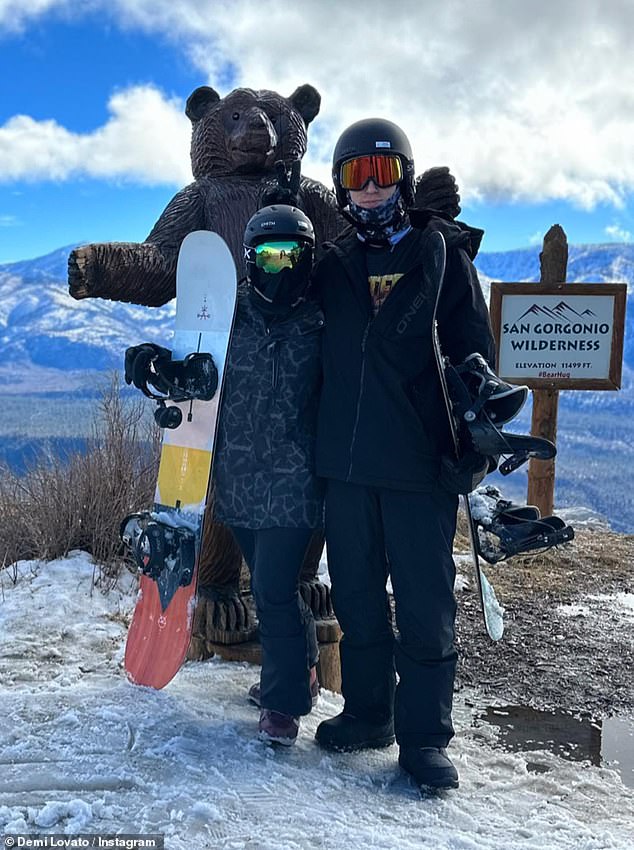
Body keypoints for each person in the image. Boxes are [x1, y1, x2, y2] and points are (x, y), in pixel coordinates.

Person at [311, 118, 495, 790]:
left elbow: (476, 358)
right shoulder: (332, 267)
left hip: (421, 466)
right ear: (339, 187)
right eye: (355, 175)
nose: (368, 189)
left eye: (382, 174)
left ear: (405, 179)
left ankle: (423, 739)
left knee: (423, 604)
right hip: (348, 464)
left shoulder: (441, 257)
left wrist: (474, 446)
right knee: (357, 600)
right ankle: (368, 713)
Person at [212, 204, 324, 745]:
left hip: (295, 478)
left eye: (290, 255)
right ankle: (299, 668)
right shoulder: (228, 314)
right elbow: (201, 373)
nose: (279, 268)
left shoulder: (325, 318)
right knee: (271, 589)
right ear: (250, 259)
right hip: (238, 475)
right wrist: (157, 363)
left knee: (275, 590)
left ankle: (282, 704)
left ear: (307, 258)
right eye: (267, 255)